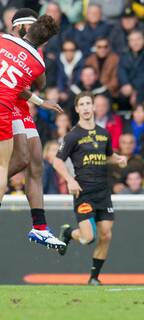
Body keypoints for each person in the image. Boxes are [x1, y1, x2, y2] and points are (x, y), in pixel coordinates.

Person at [0, 13, 63, 246]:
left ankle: (40, 227)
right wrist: (38, 97)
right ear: (20, 27)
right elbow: (38, 82)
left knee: (35, 160)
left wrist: (36, 101)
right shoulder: (33, 56)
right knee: (16, 160)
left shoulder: (4, 42)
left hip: (10, 103)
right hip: (4, 103)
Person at [53, 91, 127, 285]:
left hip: (103, 191)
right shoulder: (72, 136)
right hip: (83, 192)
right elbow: (57, 161)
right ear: (77, 109)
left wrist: (118, 158)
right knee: (87, 238)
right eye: (82, 104)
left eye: (88, 104)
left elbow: (107, 155)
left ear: (94, 107)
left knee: (106, 234)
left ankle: (94, 278)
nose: (86, 108)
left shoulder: (104, 133)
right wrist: (70, 180)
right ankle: (68, 233)